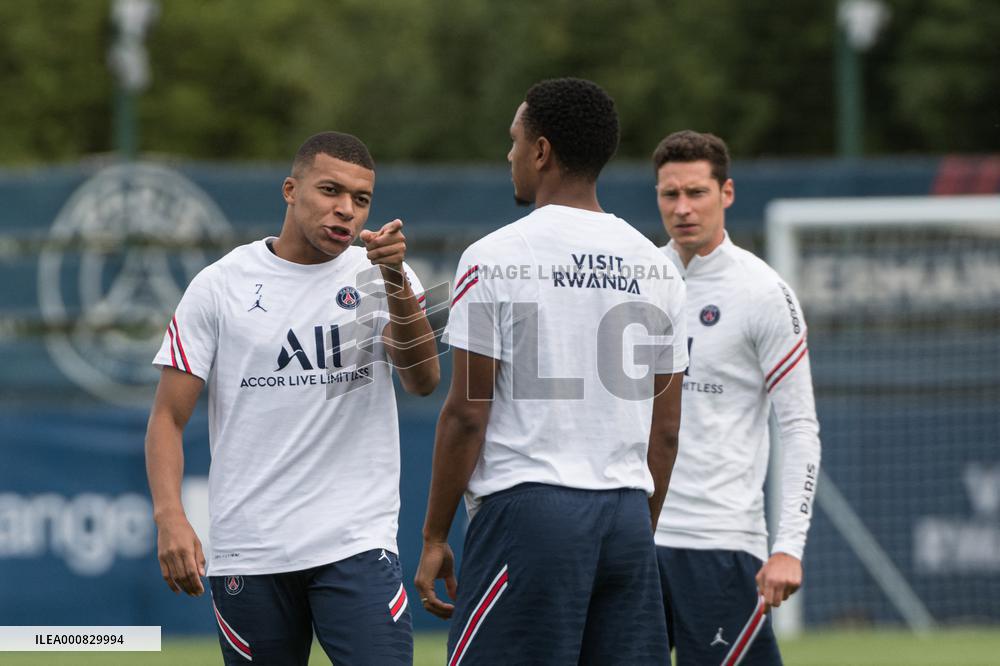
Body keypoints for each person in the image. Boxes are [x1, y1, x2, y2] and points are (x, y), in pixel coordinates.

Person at [414, 78, 688, 665]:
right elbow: (665, 430)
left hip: (532, 514)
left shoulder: (495, 255)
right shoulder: (657, 265)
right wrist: (637, 532)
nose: (509, 155)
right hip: (626, 518)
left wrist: (434, 535)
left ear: (541, 152)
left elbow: (466, 414)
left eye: (514, 141)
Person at [145, 131, 440, 665]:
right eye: (330, 191)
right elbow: (167, 416)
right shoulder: (219, 285)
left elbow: (423, 380)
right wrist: (170, 516)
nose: (345, 210)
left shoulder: (384, 277)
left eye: (361, 199)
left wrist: (394, 278)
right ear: (290, 189)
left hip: (355, 541)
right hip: (250, 549)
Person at [651, 130, 822, 665]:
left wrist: (788, 546)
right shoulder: (636, 279)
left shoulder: (763, 292)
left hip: (720, 540)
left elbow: (799, 426)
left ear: (726, 193)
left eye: (696, 193)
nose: (682, 209)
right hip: (634, 535)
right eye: (669, 194)